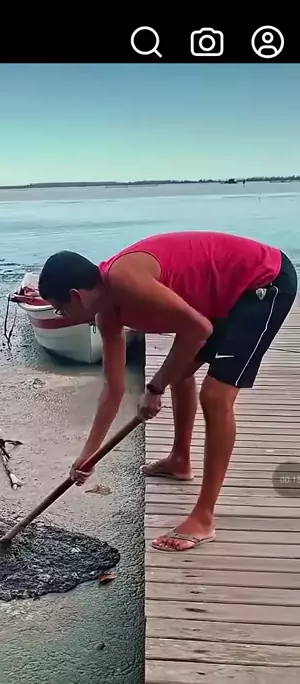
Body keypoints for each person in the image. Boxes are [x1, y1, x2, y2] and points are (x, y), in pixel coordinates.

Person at [38, 232, 297, 551]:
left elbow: (199, 329)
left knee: (216, 396)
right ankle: (180, 460)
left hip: (263, 281)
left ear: (76, 296)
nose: (62, 317)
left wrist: (155, 387)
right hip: (222, 297)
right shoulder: (107, 313)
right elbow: (113, 388)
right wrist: (87, 457)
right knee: (181, 372)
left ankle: (203, 518)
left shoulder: (124, 279)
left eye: (59, 309)